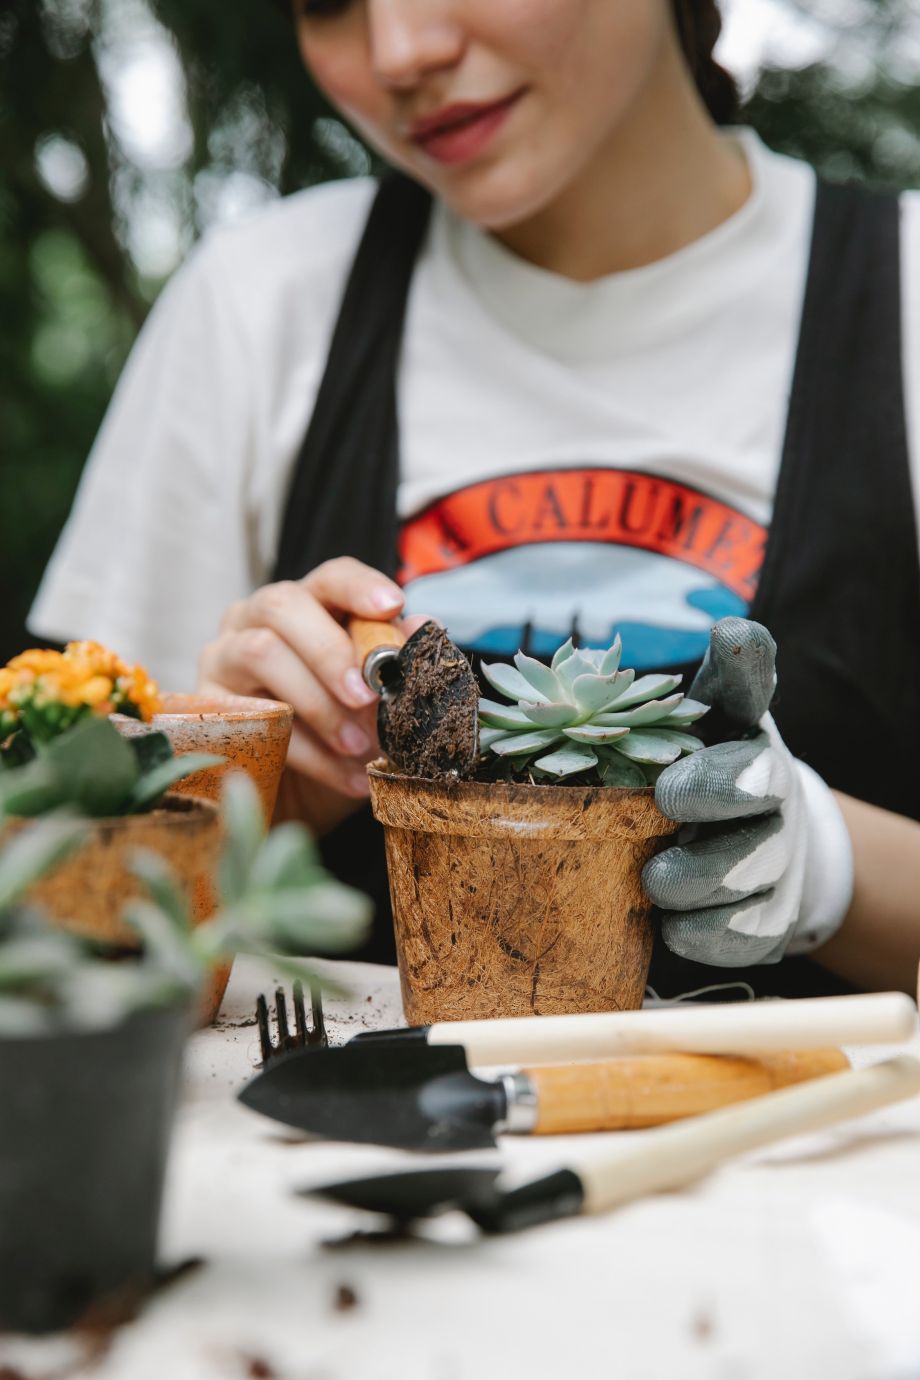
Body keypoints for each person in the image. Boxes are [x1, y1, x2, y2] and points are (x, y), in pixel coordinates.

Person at [30, 0, 920, 997]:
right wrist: (240, 794)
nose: (400, 52)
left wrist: (831, 867)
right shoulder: (262, 303)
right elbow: (56, 908)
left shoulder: (903, 300)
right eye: (328, 1)